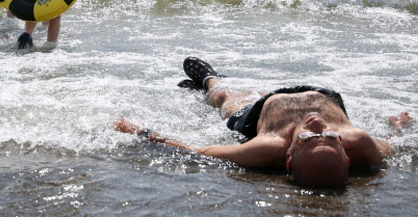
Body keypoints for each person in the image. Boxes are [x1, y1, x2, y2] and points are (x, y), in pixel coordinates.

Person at [114, 57, 413, 187]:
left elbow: (198, 152)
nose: (318, 127)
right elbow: (396, 146)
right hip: (321, 94)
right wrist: (399, 125)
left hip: (263, 113)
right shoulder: (360, 142)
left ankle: (209, 79)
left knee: (227, 100)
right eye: (331, 137)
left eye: (308, 139)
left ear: (289, 157)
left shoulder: (267, 147)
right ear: (346, 153)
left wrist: (141, 131)